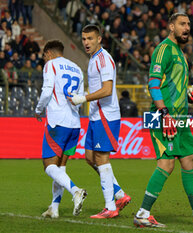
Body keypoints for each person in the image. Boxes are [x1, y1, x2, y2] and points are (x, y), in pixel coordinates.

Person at [133, 13, 193, 228]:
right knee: (166, 164)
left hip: (180, 118)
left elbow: (175, 87)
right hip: (163, 117)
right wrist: (164, 114)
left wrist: (189, 97)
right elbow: (153, 85)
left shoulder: (182, 55)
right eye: (182, 24)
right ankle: (142, 213)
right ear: (171, 26)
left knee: (189, 160)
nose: (187, 28)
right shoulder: (164, 49)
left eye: (189, 24)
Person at [69, 24, 131, 219]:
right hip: (96, 115)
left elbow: (107, 90)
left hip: (106, 115)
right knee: (89, 157)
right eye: (84, 38)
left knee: (102, 159)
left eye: (90, 39)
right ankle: (119, 194)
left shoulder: (104, 59)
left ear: (99, 39)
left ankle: (110, 206)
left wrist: (83, 98)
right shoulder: (94, 59)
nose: (86, 42)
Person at [35, 40, 87, 218]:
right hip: (74, 123)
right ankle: (54, 208)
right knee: (60, 167)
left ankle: (75, 191)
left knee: (49, 166)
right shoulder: (77, 69)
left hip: (58, 121)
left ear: (48, 53)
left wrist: (38, 110)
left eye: (43, 56)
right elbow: (79, 97)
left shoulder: (51, 65)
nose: (44, 59)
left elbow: (47, 90)